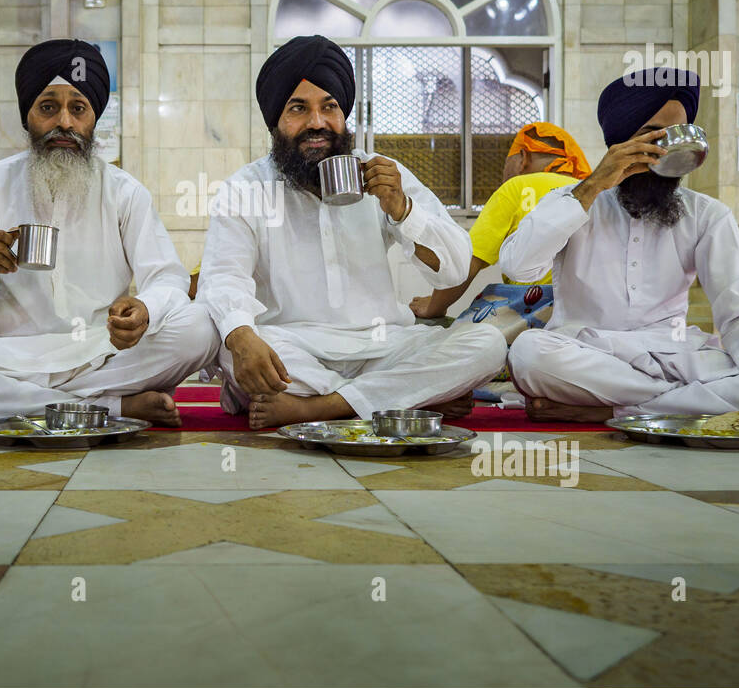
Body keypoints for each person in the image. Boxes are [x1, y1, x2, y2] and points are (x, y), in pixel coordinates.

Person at [0, 39, 217, 426]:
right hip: (8, 358)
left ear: (93, 118)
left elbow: (167, 277)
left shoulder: (124, 192)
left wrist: (145, 309)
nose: (64, 122)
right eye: (48, 107)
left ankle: (41, 403)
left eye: (77, 108)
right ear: (27, 116)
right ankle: (110, 407)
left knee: (200, 329)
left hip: (100, 352)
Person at [501, 70, 739, 426]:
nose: (665, 150)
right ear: (619, 142)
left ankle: (617, 411)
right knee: (529, 354)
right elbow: (518, 267)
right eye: (651, 136)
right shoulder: (573, 201)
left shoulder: (707, 214)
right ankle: (680, 405)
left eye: (677, 136)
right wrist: (592, 186)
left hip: (679, 356)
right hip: (586, 352)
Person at [197, 35, 508, 430]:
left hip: (383, 345)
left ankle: (322, 407)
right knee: (233, 348)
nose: (317, 123)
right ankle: (402, 397)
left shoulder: (383, 174)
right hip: (293, 345)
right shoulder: (246, 189)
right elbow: (223, 278)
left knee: (488, 344)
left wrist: (402, 209)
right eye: (298, 108)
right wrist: (242, 338)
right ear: (275, 120)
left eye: (330, 107)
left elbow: (453, 269)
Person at [410, 121, 590, 341]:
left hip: (534, 313)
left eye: (507, 161)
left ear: (523, 158)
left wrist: (433, 307)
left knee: (455, 339)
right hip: (587, 316)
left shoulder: (517, 187)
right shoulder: (591, 191)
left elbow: (466, 264)